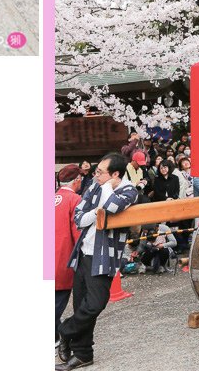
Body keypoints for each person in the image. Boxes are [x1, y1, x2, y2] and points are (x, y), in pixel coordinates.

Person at [57, 153, 139, 371]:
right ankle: (83, 353)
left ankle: (65, 332)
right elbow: (79, 216)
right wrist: (96, 211)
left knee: (95, 303)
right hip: (84, 251)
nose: (96, 176)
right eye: (97, 172)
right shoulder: (94, 186)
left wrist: (104, 193)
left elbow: (111, 207)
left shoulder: (129, 190)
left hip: (104, 255)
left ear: (116, 174)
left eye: (101, 172)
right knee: (81, 302)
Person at [55, 164, 84, 346]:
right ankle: (57, 336)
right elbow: (78, 233)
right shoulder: (75, 200)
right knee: (58, 301)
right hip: (63, 257)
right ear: (77, 181)